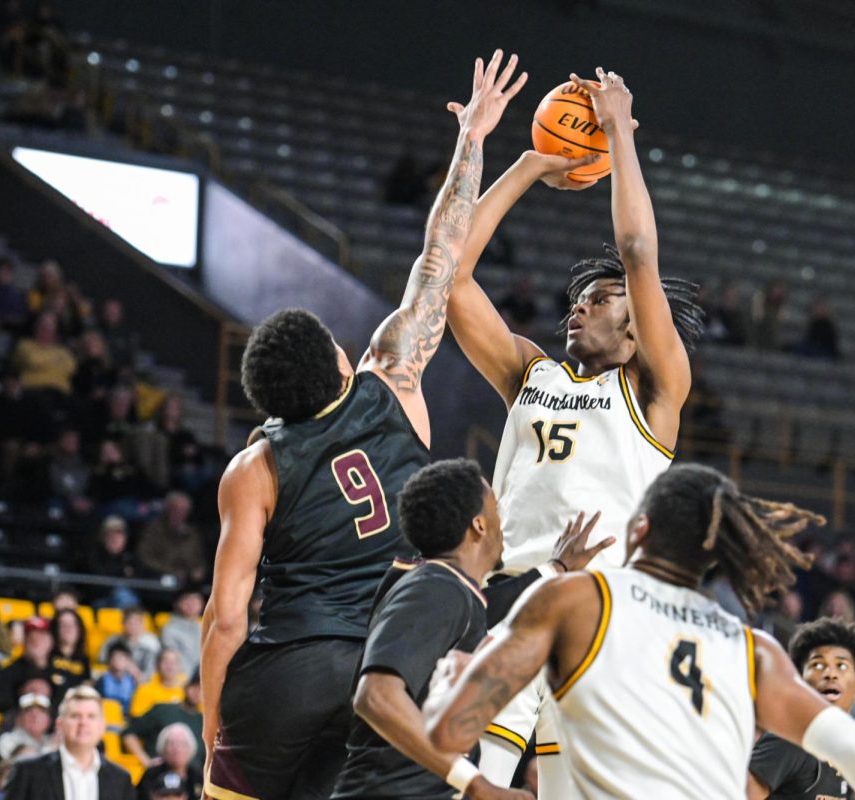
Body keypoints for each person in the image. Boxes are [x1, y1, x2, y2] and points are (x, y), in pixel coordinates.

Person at [202, 50, 526, 800]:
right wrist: (472, 136)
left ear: (269, 400)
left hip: (285, 669)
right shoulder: (395, 379)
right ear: (342, 364)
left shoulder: (254, 468)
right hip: (389, 659)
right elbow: (438, 258)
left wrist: (217, 726)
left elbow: (225, 618)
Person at [445, 66, 703, 794]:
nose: (577, 309)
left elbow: (639, 253)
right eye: (578, 300)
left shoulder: (655, 391)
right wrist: (527, 164)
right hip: (505, 596)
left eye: (598, 300)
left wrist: (618, 130)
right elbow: (452, 279)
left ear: (636, 333)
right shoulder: (534, 374)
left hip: (601, 614)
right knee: (469, 778)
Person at [426, 464, 855, 800]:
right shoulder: (756, 650)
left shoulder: (577, 598)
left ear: (638, 529)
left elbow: (449, 732)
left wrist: (451, 678)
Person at [331, 459, 529, 799]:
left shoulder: (450, 589)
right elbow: (375, 695)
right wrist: (477, 784)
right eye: (496, 508)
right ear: (479, 525)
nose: (503, 522)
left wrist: (558, 568)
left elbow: (500, 604)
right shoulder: (436, 589)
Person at [747, 617, 855, 799]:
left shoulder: (849, 745)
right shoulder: (789, 740)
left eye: (841, 666)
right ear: (800, 680)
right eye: (818, 665)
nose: (830, 675)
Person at [4, 685, 136, 800]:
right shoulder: (27, 771)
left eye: (91, 716)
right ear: (60, 725)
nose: (83, 723)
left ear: (102, 726)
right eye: (75, 716)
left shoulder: (121, 779)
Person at [122, 672, 203, 773]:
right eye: (195, 686)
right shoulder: (162, 710)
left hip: (192, 780)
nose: (198, 692)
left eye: (203, 689)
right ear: (186, 687)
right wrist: (146, 762)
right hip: (159, 775)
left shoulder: (205, 722)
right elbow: (129, 734)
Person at [136, 492, 206, 584]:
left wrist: (199, 569)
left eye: (184, 510)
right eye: (176, 509)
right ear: (168, 510)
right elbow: (144, 557)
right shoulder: (153, 531)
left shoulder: (192, 534)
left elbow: (200, 559)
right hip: (159, 578)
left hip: (189, 581)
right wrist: (171, 571)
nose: (180, 514)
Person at [136, 723, 202, 800]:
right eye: (171, 744)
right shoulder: (151, 774)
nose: (177, 749)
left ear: (191, 749)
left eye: (183, 744)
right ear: (162, 748)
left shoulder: (197, 776)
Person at [100, 608, 160, 681]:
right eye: (129, 623)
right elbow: (101, 661)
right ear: (123, 624)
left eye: (137, 623)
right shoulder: (113, 641)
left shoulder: (151, 644)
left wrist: (135, 673)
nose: (133, 627)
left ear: (143, 625)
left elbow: (152, 672)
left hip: (142, 683)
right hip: (114, 679)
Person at [0, 691, 54, 759]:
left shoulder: (51, 740)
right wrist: (51, 749)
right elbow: (28, 765)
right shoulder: (7, 740)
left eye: (41, 711)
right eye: (28, 711)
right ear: (18, 718)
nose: (34, 715)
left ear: (49, 720)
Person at [159, 590, 203, 679]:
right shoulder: (169, 629)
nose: (191, 604)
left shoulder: (208, 625)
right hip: (182, 680)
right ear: (177, 604)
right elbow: (172, 659)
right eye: (187, 600)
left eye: (195, 600)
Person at [130, 649, 185, 718]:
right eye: (166, 662)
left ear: (179, 666)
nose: (170, 666)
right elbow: (137, 719)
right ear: (157, 665)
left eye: (173, 662)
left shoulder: (187, 690)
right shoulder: (144, 690)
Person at [97, 643, 138, 718]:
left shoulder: (132, 680)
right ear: (109, 660)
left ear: (128, 661)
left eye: (121, 658)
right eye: (114, 658)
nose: (118, 661)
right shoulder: (102, 680)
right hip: (106, 716)